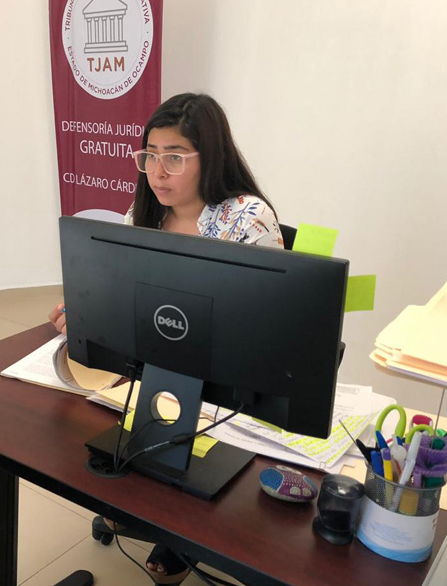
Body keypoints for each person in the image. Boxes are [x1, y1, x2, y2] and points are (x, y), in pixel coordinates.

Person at [48, 93, 282, 584]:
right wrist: (89, 313)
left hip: (223, 386)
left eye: (174, 157)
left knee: (190, 432)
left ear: (209, 156)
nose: (157, 171)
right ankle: (142, 508)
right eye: (149, 155)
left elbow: (263, 327)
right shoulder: (147, 214)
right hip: (153, 373)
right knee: (68, 426)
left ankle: (177, 534)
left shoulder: (246, 219)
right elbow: (130, 300)